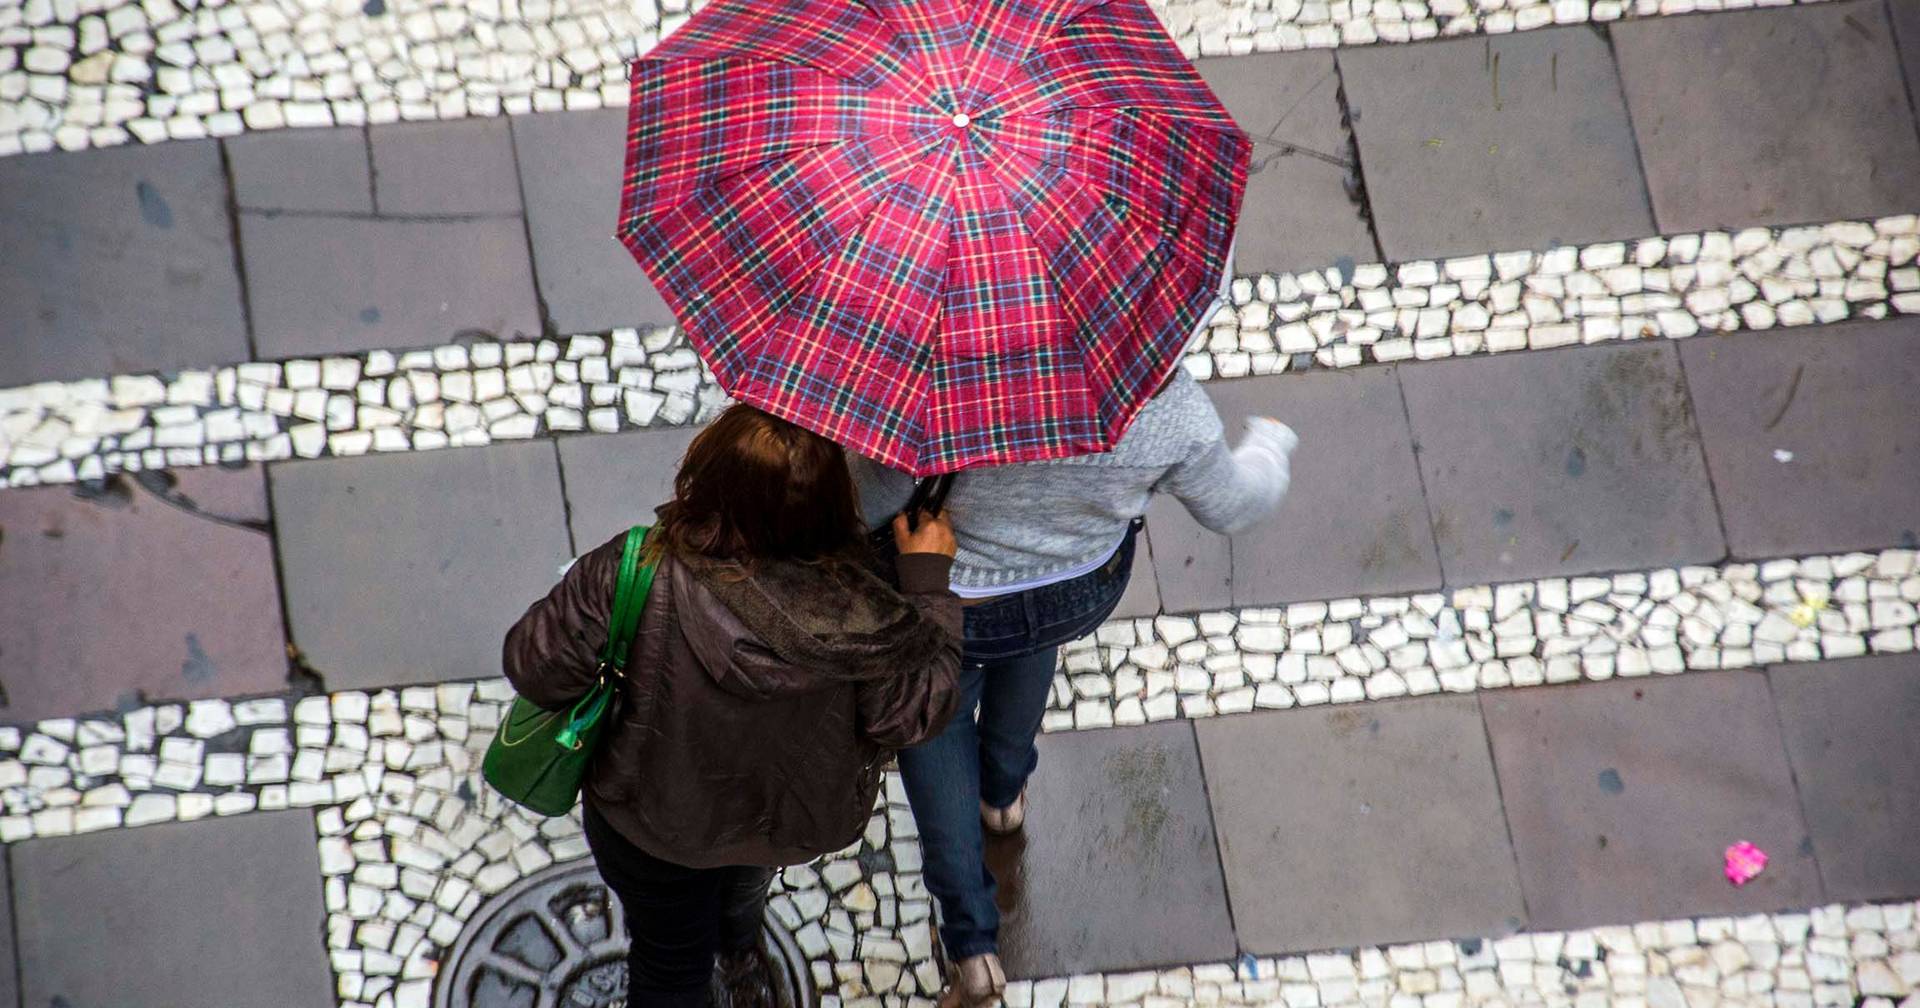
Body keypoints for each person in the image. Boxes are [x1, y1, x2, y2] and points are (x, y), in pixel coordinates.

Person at [853, 367, 1298, 1007]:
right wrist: (1270, 443)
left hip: (950, 591)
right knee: (1031, 650)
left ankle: (974, 951)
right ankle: (1003, 797)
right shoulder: (1155, 395)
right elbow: (1233, 505)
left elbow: (867, 501)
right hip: (1074, 586)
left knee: (937, 720)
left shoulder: (933, 380)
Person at [504, 404, 964, 1008]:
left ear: (705, 478)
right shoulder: (867, 615)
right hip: (778, 823)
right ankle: (741, 953)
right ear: (833, 503)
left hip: (648, 821)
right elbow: (908, 717)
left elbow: (534, 666)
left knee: (667, 961)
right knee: (745, 886)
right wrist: (928, 586)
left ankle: (731, 948)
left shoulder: (634, 567)